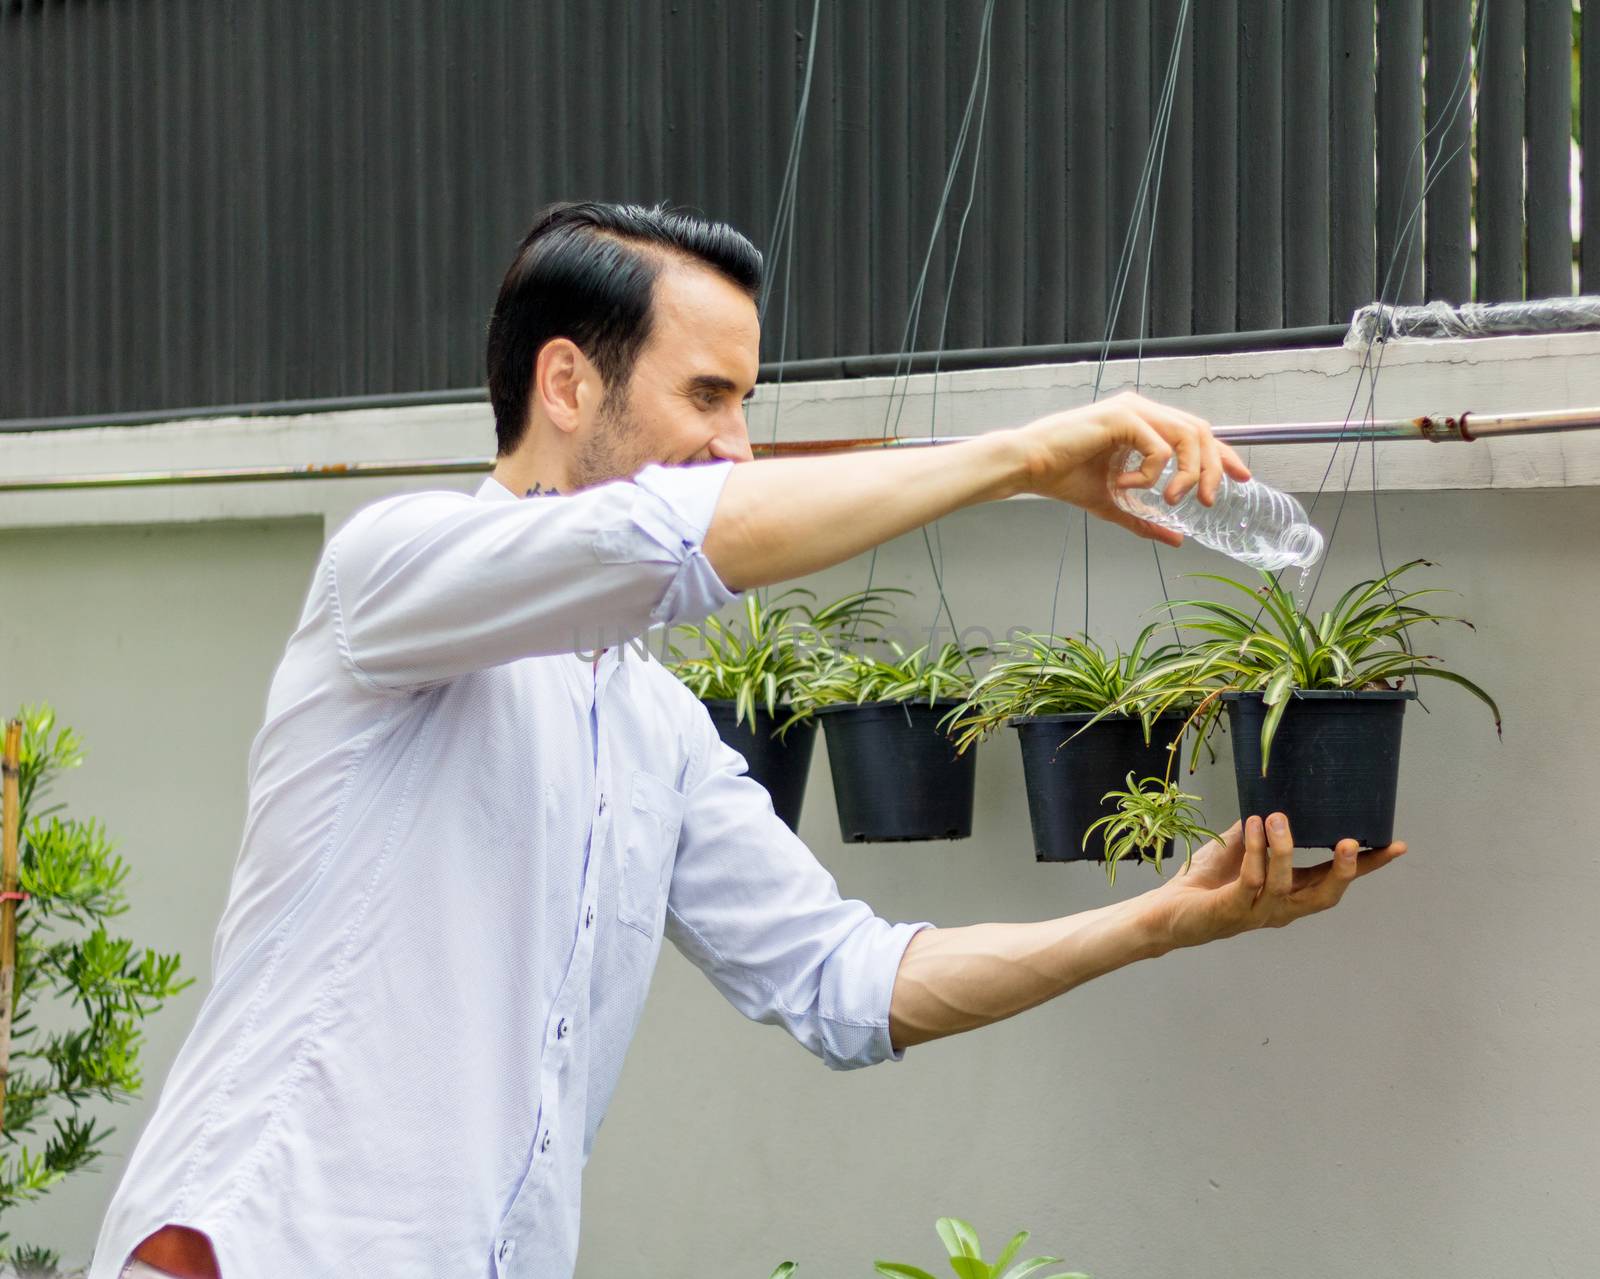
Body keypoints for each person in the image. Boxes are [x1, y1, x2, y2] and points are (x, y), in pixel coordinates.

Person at [91, 203, 1405, 1279]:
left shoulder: (652, 727)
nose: (735, 440)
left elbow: (849, 982)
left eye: (746, 403)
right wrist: (1016, 456)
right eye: (707, 394)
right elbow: (668, 544)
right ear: (566, 380)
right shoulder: (395, 570)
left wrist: (1160, 922)